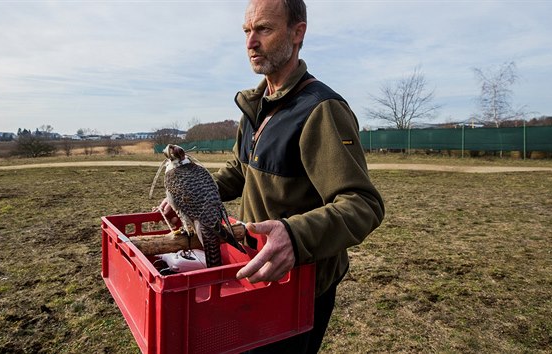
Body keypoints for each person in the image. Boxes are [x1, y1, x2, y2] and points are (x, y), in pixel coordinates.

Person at [161, 0, 384, 352]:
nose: (251, 42)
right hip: (255, 271)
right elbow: (240, 169)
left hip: (298, 288)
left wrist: (294, 237)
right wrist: (193, 193)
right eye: (247, 31)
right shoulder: (255, 106)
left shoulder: (321, 110)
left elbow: (362, 205)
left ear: (298, 33)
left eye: (264, 29)